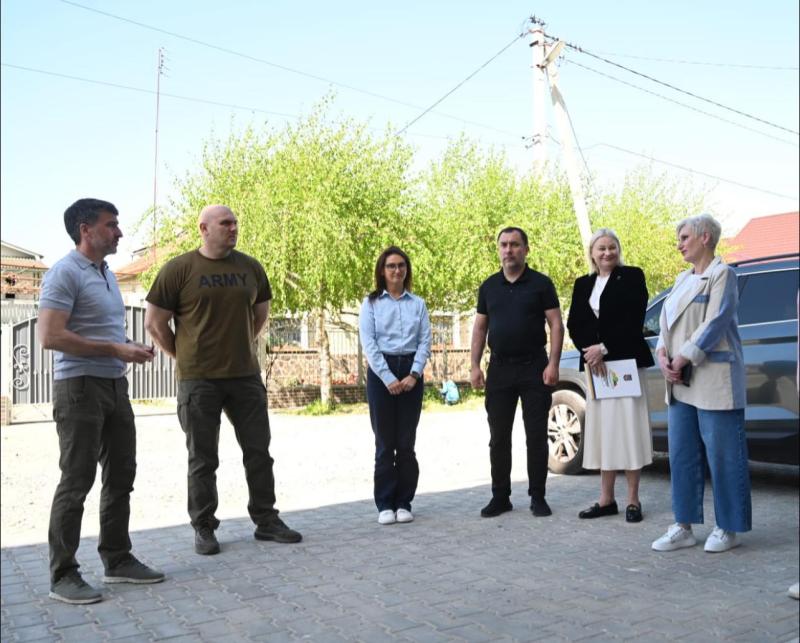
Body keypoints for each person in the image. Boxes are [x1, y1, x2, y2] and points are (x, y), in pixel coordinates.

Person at [144, 204, 301, 555]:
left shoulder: (250, 268)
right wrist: (182, 355)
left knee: (258, 452)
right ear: (203, 228)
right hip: (199, 380)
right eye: (225, 223)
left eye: (235, 223)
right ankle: (203, 526)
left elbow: (259, 316)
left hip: (245, 376)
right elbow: (154, 323)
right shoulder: (179, 269)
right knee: (202, 458)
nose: (233, 228)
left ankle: (266, 520)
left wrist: (241, 345)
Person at [38, 198, 165, 605]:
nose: (119, 232)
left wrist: (128, 346)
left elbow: (100, 333)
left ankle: (117, 558)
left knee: (121, 474)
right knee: (77, 480)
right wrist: (114, 348)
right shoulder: (64, 273)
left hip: (114, 386)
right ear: (85, 229)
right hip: (79, 387)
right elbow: (50, 336)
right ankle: (63, 575)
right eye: (111, 225)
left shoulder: (105, 273)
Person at [652, 213, 751, 553]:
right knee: (682, 456)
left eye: (684, 237)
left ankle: (729, 528)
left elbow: (715, 322)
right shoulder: (682, 279)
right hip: (679, 380)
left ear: (705, 237)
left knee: (725, 456)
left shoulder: (723, 275)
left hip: (713, 378)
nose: (679, 244)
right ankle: (683, 526)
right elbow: (666, 325)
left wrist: (682, 358)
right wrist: (662, 354)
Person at [470, 226, 564, 518]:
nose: (508, 250)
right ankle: (501, 497)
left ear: (526, 249)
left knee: (535, 435)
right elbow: (480, 327)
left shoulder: (541, 284)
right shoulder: (489, 286)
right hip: (499, 369)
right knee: (499, 437)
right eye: (504, 245)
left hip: (534, 368)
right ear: (498, 249)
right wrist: (474, 365)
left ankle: (538, 496)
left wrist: (553, 363)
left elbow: (556, 324)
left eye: (514, 244)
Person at [566, 228, 654, 523]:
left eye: (611, 247)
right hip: (597, 369)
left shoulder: (632, 276)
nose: (607, 253)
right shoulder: (583, 284)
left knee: (629, 430)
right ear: (592, 253)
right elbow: (575, 323)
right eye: (601, 248)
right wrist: (591, 352)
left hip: (625, 364)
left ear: (618, 250)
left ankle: (633, 500)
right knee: (604, 430)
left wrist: (604, 348)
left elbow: (634, 318)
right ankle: (606, 499)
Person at [359, 246, 432, 525]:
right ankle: (385, 504)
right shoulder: (371, 304)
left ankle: (404, 502)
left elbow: (425, 341)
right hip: (382, 374)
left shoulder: (418, 304)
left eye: (401, 265)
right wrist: (388, 378)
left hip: (411, 371)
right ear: (382, 270)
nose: (397, 270)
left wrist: (414, 374)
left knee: (406, 442)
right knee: (384, 442)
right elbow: (369, 344)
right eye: (391, 266)